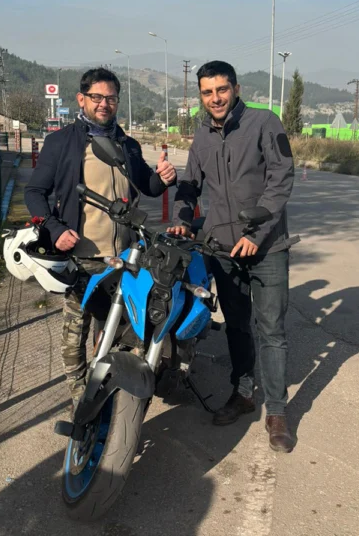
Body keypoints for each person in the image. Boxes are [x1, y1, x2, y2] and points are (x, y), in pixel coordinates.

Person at [25, 68, 177, 406]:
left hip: (127, 259)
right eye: (96, 97)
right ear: (81, 99)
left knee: (123, 331)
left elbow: (148, 186)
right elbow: (34, 193)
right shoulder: (62, 143)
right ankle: (82, 402)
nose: (104, 104)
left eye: (110, 98)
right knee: (74, 336)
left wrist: (164, 178)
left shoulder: (127, 144)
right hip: (83, 258)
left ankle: (117, 398)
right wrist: (55, 229)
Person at [170, 61, 297, 453]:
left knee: (271, 330)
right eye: (207, 92)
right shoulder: (202, 135)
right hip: (223, 250)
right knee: (237, 326)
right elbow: (190, 183)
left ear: (236, 89)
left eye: (222, 89)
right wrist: (181, 219)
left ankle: (277, 412)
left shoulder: (264, 123)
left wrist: (256, 235)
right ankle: (243, 394)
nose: (215, 98)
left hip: (267, 247)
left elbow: (281, 179)